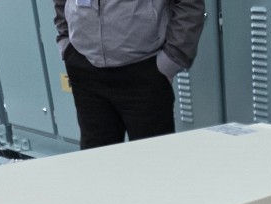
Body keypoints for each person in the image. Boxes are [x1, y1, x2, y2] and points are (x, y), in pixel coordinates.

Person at [53, 0, 206, 150]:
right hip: (86, 69)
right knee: (97, 158)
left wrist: (172, 59)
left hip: (144, 71)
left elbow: (189, 4)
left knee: (153, 157)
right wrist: (65, 41)